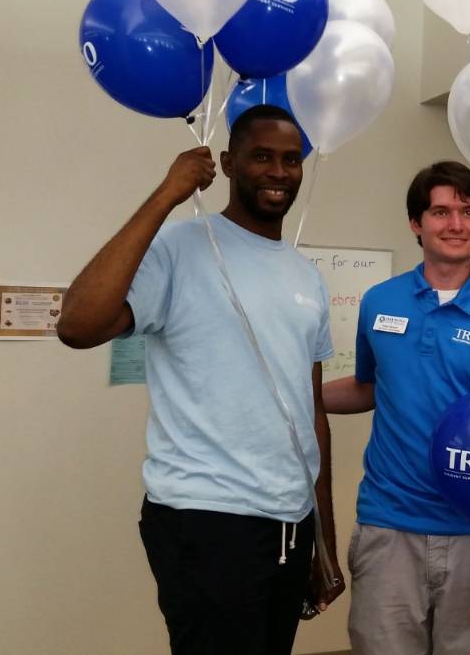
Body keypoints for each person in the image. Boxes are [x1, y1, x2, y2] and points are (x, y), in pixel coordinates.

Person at [56, 105, 341, 655]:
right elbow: (78, 324)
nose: (279, 172)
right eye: (262, 157)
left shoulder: (306, 275)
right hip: (208, 520)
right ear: (230, 164)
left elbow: (311, 415)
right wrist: (167, 195)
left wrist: (321, 539)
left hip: (289, 521)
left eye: (290, 159)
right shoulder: (180, 248)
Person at [318, 161, 470, 655]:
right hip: (388, 529)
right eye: (441, 211)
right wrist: (293, 392)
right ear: (415, 223)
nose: (456, 224)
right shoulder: (380, 302)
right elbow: (370, 388)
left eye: (468, 211)